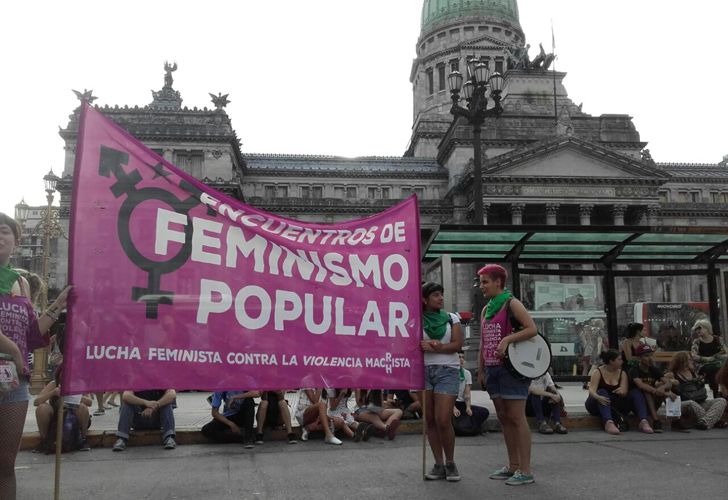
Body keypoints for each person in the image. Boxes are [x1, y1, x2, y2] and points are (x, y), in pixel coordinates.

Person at [0, 212, 69, 500]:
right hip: (14, 365)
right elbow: (18, 346)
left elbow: (31, 334)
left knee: (5, 466)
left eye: (4, 231)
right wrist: (14, 350)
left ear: (16, 241)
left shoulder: (21, 283)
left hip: (14, 383)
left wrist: (58, 304)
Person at [477, 264, 536, 486]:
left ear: (498, 282)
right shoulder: (486, 309)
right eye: (481, 282)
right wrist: (481, 370)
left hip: (511, 369)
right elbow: (483, 341)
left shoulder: (512, 303)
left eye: (485, 282)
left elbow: (532, 329)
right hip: (492, 370)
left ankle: (526, 469)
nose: (482, 286)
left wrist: (507, 339)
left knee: (516, 417)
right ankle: (513, 465)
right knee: (503, 417)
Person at [420, 282, 464, 482]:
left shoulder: (452, 318)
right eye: (436, 295)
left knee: (443, 419)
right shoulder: (415, 318)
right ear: (424, 299)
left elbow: (457, 345)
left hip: (448, 370)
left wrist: (436, 347)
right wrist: (421, 346)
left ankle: (451, 462)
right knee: (429, 419)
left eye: (441, 295)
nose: (440, 298)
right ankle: (438, 464)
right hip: (423, 371)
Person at [585, 349, 654, 435]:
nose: (622, 361)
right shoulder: (598, 372)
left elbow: (624, 391)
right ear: (611, 361)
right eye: (619, 359)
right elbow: (591, 390)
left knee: (636, 392)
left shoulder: (622, 373)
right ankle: (608, 422)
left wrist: (622, 391)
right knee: (602, 391)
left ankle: (643, 421)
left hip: (614, 403)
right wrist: (598, 397)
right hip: (597, 402)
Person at [33, 364, 92, 453]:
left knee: (82, 407)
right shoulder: (54, 384)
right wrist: (53, 393)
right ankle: (44, 441)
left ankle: (83, 439)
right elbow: (36, 402)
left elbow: (89, 402)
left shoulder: (79, 383)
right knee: (42, 408)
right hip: (56, 416)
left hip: (74, 415)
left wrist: (74, 395)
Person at [665, 352, 726, 430]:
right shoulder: (672, 374)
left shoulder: (693, 373)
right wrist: (670, 384)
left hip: (699, 401)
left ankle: (705, 422)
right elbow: (660, 385)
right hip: (683, 403)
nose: (691, 361)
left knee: (721, 400)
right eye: (689, 360)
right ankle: (713, 421)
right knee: (691, 403)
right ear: (681, 361)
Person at [628, 344, 674, 432]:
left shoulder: (654, 370)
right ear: (639, 358)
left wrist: (663, 388)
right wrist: (657, 391)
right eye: (646, 356)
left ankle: (674, 417)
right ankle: (656, 420)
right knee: (646, 391)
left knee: (664, 388)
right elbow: (640, 385)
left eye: (651, 355)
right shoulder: (634, 370)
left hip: (652, 402)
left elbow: (668, 383)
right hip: (636, 403)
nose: (650, 358)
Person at [112, 389, 178, 451]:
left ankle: (169, 437)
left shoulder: (162, 380)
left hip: (157, 419)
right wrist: (146, 403)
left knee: (167, 403)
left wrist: (155, 405)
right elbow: (126, 396)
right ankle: (122, 438)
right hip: (139, 417)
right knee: (127, 404)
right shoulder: (136, 379)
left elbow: (172, 394)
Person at [453, 352, 489, 436]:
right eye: (459, 357)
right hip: (450, 403)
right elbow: (448, 393)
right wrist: (453, 408)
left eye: (462, 357)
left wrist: (468, 407)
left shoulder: (466, 373)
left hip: (462, 403)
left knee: (483, 412)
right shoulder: (449, 373)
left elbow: (467, 393)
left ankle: (470, 429)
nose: (461, 359)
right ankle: (463, 429)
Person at [690, 319, 727, 396]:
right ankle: (716, 392)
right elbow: (693, 356)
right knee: (713, 369)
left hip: (717, 363)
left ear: (707, 328)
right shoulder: (697, 342)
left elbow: (726, 352)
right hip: (703, 365)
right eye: (696, 329)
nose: (697, 331)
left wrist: (718, 357)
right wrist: (706, 359)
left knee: (720, 368)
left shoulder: (717, 339)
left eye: (699, 328)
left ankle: (722, 391)